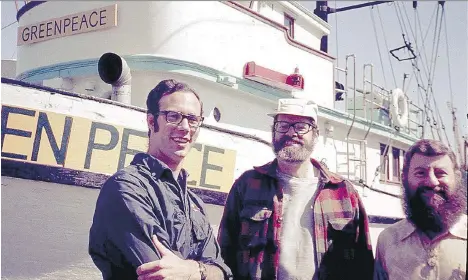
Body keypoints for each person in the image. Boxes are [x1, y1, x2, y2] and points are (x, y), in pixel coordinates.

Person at [89, 79, 232, 280]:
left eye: (192, 119)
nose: (185, 127)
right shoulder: (126, 188)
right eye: (173, 116)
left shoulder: (194, 204)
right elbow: (160, 273)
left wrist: (192, 271)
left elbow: (223, 271)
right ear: (151, 121)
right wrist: (204, 271)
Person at [217, 98, 374, 280]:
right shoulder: (246, 185)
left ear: (315, 134)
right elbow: (224, 255)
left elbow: (364, 265)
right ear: (273, 131)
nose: (291, 133)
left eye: (301, 126)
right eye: (283, 125)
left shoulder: (344, 192)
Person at [373, 139, 467, 280]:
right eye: (420, 173)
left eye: (440, 173)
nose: (431, 182)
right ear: (405, 178)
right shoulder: (388, 240)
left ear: (457, 178)